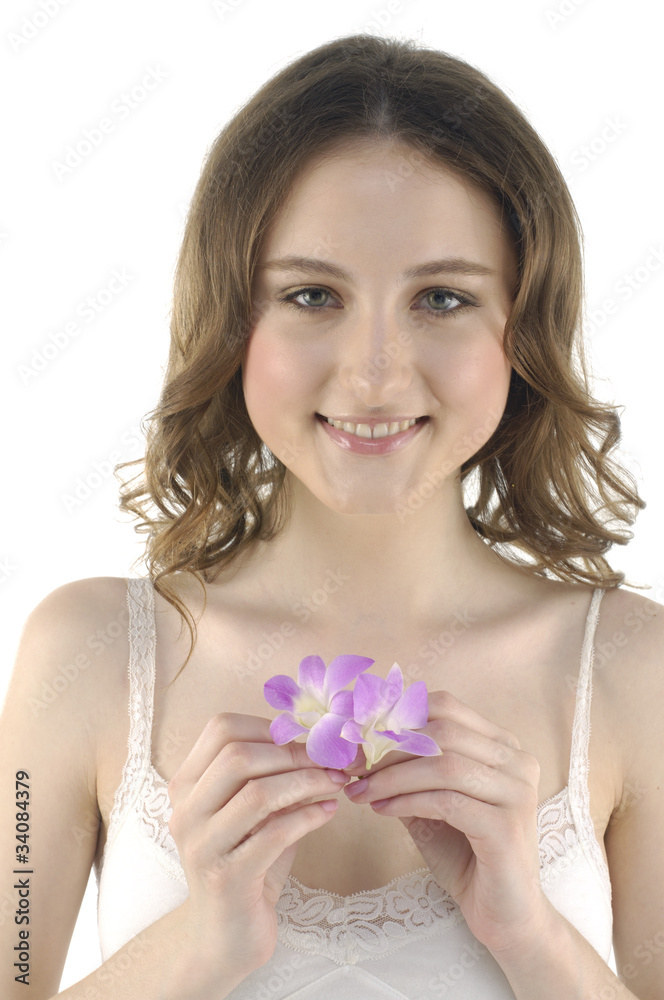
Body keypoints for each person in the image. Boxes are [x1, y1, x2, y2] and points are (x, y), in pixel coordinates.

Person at [1, 32, 662, 1000]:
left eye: (441, 297)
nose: (374, 372)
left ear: (524, 330)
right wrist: (201, 942)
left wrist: (527, 933)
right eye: (312, 295)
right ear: (232, 322)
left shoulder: (635, 669)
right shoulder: (89, 650)